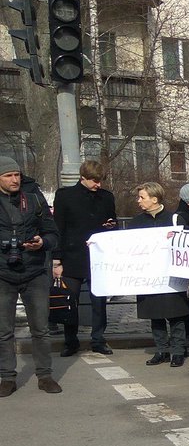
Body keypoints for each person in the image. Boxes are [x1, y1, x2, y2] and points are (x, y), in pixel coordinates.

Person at [0, 157, 60, 395]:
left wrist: (42, 242)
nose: (14, 179)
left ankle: (45, 376)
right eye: (8, 175)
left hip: (34, 272)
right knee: (4, 331)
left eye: (17, 174)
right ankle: (7, 378)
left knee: (41, 329)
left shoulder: (34, 199)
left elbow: (53, 233)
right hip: (3, 274)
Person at [52, 159, 116, 357]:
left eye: (100, 180)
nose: (98, 184)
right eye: (95, 181)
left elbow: (112, 222)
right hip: (72, 257)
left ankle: (98, 339)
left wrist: (111, 225)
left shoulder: (106, 197)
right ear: (83, 178)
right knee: (70, 301)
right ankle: (70, 341)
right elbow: (58, 228)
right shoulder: (65, 196)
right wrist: (57, 260)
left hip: (98, 257)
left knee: (99, 302)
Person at [128, 182, 189, 367]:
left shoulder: (175, 219)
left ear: (154, 199)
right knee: (155, 315)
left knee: (176, 315)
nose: (138, 201)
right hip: (149, 277)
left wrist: (177, 238)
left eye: (142, 197)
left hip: (171, 276)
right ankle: (161, 350)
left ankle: (178, 351)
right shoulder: (136, 223)